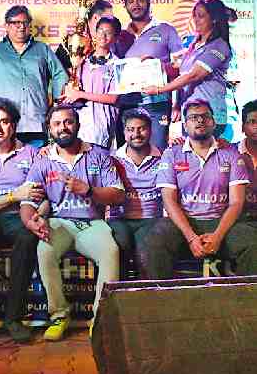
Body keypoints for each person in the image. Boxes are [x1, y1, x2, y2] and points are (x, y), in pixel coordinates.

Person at [20, 104, 125, 341]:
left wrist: (88, 190)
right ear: (50, 129)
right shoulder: (43, 161)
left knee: (110, 251)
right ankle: (59, 315)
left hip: (92, 223)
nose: (63, 127)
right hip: (60, 222)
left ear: (78, 125)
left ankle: (100, 318)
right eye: (57, 124)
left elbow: (118, 195)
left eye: (68, 122)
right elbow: (28, 200)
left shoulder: (99, 155)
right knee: (44, 250)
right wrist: (30, 221)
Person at [145, 99, 256, 278]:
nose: (200, 121)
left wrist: (218, 236)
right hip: (184, 222)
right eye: (193, 117)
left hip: (221, 222)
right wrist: (191, 237)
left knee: (253, 242)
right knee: (154, 240)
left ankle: (244, 302)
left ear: (213, 121)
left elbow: (237, 202)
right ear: (184, 124)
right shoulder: (172, 154)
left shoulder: (231, 154)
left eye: (205, 116)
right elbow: (169, 200)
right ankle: (162, 303)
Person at [0, 97, 47, 344]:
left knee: (27, 240)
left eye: (4, 122)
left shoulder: (32, 154)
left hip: (21, 218)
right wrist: (15, 195)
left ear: (13, 125)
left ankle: (14, 318)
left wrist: (38, 216)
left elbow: (41, 194)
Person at [143, 0, 238, 139]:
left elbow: (193, 76)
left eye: (201, 16)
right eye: (194, 15)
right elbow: (179, 70)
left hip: (209, 115)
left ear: (213, 19)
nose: (195, 20)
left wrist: (159, 90)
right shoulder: (194, 45)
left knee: (208, 157)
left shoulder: (219, 46)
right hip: (189, 112)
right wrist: (156, 64)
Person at [0, 5, 67, 147]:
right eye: (16, 23)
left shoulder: (42, 49)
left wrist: (56, 102)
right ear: (7, 26)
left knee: (36, 165)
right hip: (2, 125)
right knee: (6, 166)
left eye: (25, 23)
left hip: (36, 122)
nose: (21, 27)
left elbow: (59, 74)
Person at [116, 0, 183, 150]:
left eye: (140, 0)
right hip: (128, 104)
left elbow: (181, 69)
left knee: (157, 151)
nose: (135, 5)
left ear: (149, 2)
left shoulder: (166, 30)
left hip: (157, 103)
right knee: (128, 156)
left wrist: (158, 65)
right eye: (130, 1)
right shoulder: (120, 35)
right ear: (125, 5)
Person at [108, 109, 165, 273]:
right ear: (124, 132)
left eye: (142, 128)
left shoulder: (164, 157)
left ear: (151, 130)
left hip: (151, 219)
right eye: (131, 129)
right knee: (120, 244)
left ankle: (149, 295)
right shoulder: (112, 159)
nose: (136, 134)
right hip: (120, 219)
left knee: (148, 251)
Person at [60, 16, 121, 148]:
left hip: (101, 124)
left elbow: (114, 98)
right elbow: (71, 87)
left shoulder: (118, 64)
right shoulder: (81, 60)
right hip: (77, 123)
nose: (103, 36)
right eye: (100, 31)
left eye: (108, 33)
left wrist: (81, 95)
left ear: (115, 38)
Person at [239, 100, 257, 222]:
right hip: (238, 220)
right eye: (252, 122)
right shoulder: (229, 153)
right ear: (243, 127)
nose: (256, 127)